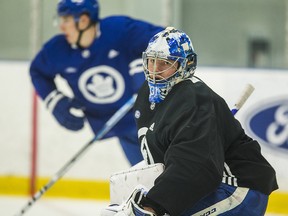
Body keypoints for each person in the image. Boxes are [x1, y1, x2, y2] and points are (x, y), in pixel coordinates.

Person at [106, 27, 278, 215]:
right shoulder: (146, 96)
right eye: (151, 61)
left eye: (164, 63)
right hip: (208, 183)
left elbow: (197, 165)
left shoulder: (194, 99)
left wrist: (153, 204)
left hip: (237, 186)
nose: (155, 70)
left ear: (186, 64)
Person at [29, 0, 164, 165]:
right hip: (122, 127)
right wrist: (54, 101)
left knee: (185, 174)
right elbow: (37, 70)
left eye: (66, 20)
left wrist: (145, 68)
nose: (61, 27)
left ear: (84, 20)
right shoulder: (58, 50)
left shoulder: (119, 30)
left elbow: (166, 39)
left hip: (156, 120)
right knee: (151, 182)